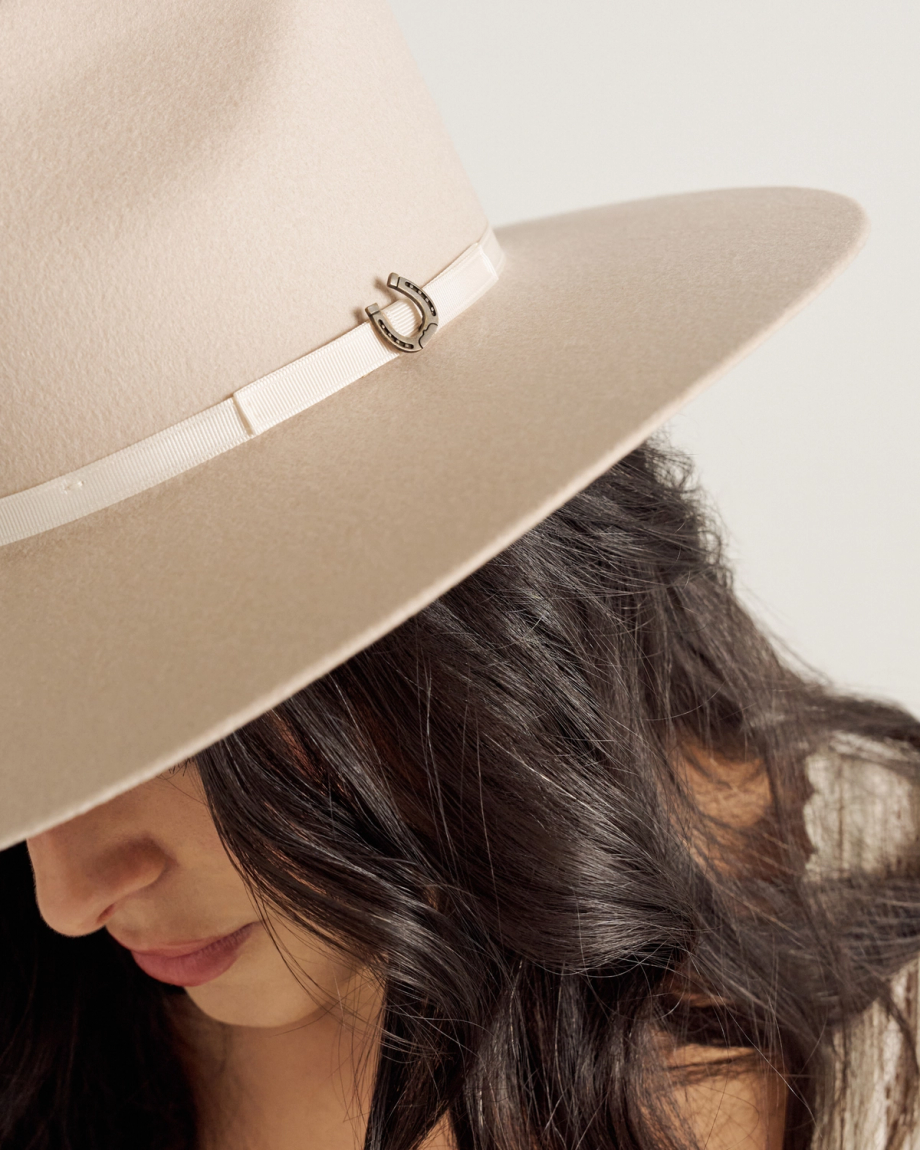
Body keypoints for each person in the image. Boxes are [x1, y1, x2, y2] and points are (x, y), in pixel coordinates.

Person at [1, 2, 913, 1149]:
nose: (67, 898)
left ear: (446, 618)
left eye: (133, 716)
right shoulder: (51, 1022)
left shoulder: (884, 1020)